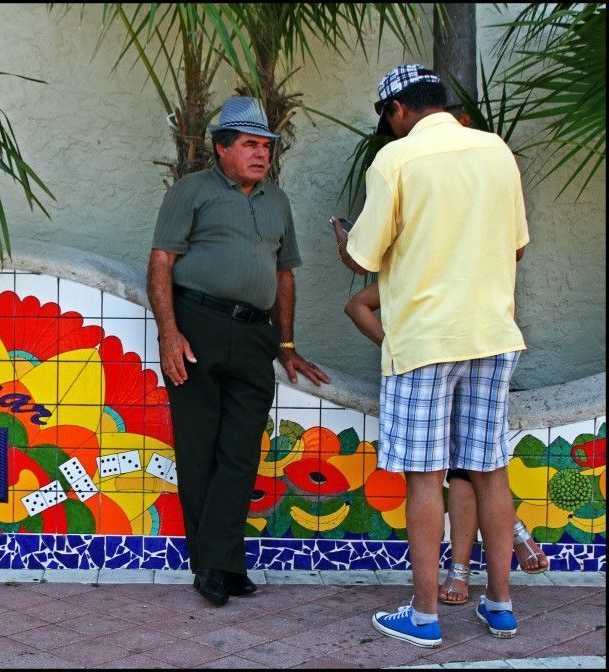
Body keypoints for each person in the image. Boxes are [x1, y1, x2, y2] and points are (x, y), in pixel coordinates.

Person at [334, 64, 530, 647]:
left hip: (424, 343)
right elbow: (517, 248)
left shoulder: (396, 160)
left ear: (397, 111)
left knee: (426, 480)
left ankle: (423, 616)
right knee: (489, 472)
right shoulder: (496, 151)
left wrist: (344, 242)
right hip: (492, 335)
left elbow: (363, 258)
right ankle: (500, 604)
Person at [148, 96, 330, 607]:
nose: (260, 154)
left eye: (266, 146)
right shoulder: (193, 190)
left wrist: (286, 343)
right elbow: (161, 261)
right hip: (198, 327)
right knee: (199, 448)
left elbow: (283, 274)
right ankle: (215, 566)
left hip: (254, 337)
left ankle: (221, 559)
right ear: (222, 148)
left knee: (241, 453)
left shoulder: (277, 200)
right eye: (249, 144)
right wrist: (169, 333)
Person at [338, 279, 549, 608]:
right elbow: (357, 305)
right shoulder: (462, 258)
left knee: (455, 472)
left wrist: (398, 347)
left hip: (436, 361)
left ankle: (452, 582)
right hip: (479, 354)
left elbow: (356, 274)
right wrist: (394, 345)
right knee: (482, 470)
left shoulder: (429, 260)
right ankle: (498, 589)